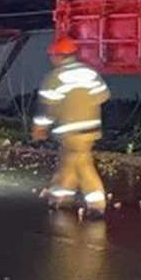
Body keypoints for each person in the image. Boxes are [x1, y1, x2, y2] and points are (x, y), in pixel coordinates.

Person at [32, 36, 110, 217]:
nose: (51, 60)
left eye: (52, 56)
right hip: (90, 129)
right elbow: (103, 96)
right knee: (68, 163)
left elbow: (47, 108)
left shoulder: (55, 78)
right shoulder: (90, 73)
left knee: (83, 165)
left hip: (70, 131)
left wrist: (39, 128)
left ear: (58, 56)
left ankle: (97, 205)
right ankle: (61, 198)